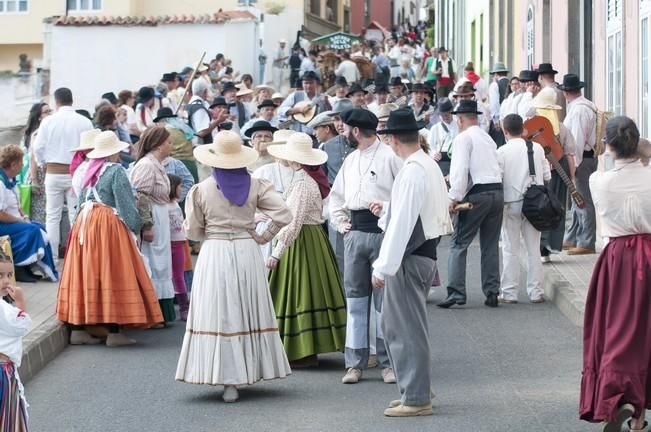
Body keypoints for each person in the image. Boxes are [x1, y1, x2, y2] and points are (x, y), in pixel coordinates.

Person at [175, 130, 292, 403]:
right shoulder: (257, 185)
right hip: (246, 249)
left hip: (214, 250)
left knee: (217, 310)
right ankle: (245, 371)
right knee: (245, 308)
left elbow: (193, 231)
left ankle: (226, 379)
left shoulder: (200, 189)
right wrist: (264, 235)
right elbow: (284, 214)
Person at [372, 108, 453, 417]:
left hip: (410, 255)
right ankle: (415, 387)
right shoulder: (426, 164)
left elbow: (402, 224)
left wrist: (382, 267)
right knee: (405, 327)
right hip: (423, 252)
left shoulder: (412, 170)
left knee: (402, 329)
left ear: (392, 139)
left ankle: (416, 396)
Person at [57, 131, 163, 346]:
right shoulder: (116, 171)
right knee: (113, 271)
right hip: (106, 223)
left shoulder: (86, 170)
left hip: (84, 224)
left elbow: (80, 201)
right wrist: (136, 227)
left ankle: (78, 329)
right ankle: (115, 332)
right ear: (113, 153)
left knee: (86, 272)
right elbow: (125, 204)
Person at [580, 117, 651, 432]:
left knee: (618, 332)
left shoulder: (600, 181)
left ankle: (620, 396)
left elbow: (600, 164)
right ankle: (640, 414)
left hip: (619, 259)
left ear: (608, 145)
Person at [329, 109, 402, 384]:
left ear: (356, 131)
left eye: (346, 128)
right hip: (354, 233)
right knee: (356, 301)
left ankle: (388, 363)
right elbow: (336, 197)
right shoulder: (350, 161)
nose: (343, 132)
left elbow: (406, 194)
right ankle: (354, 364)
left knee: (385, 304)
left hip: (383, 232)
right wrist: (340, 223)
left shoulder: (390, 157)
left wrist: (387, 209)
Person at [265, 133, 347, 367]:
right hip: (313, 239)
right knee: (309, 292)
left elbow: (293, 222)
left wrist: (276, 252)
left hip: (302, 242)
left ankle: (303, 351)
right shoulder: (308, 179)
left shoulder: (302, 183)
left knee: (299, 292)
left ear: (295, 160)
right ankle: (305, 348)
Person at [439, 100, 503, 308]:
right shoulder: (487, 138)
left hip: (477, 194)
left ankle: (456, 293)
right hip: (497, 191)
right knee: (490, 244)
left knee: (459, 243)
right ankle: (492, 291)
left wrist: (453, 198)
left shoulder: (463, 138)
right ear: (475, 117)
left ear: (459, 119)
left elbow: (459, 172)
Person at [32, 87, 93, 260]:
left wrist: (43, 163)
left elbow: (38, 147)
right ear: (72, 101)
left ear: (56, 102)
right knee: (77, 214)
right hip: (77, 173)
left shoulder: (48, 121)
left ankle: (52, 257)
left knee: (52, 216)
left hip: (53, 172)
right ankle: (78, 256)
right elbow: (91, 147)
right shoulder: (84, 121)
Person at [496, 114, 550, 303]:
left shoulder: (501, 151)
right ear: (524, 129)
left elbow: (498, 178)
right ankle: (536, 292)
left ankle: (509, 293)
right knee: (533, 248)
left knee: (510, 248)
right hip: (535, 203)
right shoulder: (536, 148)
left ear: (505, 131)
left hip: (511, 203)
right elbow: (546, 175)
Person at [129, 126, 175, 324]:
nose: (171, 145)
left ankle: (161, 311)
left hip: (160, 215)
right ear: (157, 144)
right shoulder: (147, 165)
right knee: (154, 262)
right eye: (168, 142)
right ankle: (153, 312)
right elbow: (141, 196)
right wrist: (146, 225)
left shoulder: (156, 164)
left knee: (161, 263)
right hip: (153, 217)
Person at [529, 88, 577, 262]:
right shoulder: (562, 129)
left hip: (537, 170)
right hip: (559, 170)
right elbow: (570, 154)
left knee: (538, 207)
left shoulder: (531, 127)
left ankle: (538, 247)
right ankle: (548, 249)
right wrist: (572, 179)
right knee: (556, 208)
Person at [0, 145, 58, 283]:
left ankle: (28, 267)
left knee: (39, 226)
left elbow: (17, 206)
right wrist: (20, 221)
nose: (22, 165)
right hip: (3, 224)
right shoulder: (1, 183)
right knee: (32, 230)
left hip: (12, 221)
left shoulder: (10, 181)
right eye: (21, 162)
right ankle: (19, 267)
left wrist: (24, 217)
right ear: (13, 165)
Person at [560, 74, 598, 256]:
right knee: (578, 200)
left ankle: (586, 241)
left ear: (567, 92)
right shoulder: (584, 106)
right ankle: (573, 236)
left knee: (582, 200)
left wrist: (573, 165)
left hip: (582, 159)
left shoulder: (578, 110)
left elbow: (576, 140)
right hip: (587, 158)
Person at [0, 251, 31, 431]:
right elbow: (21, 326)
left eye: (9, 275)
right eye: (0, 276)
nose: (6, 281)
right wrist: (20, 303)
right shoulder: (3, 308)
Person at [21, 102, 52, 225]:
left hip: (45, 174)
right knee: (39, 211)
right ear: (39, 116)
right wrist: (34, 180)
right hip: (38, 175)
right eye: (46, 112)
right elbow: (33, 157)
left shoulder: (47, 130)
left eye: (50, 111)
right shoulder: (38, 133)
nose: (49, 114)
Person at [153, 107, 199, 183]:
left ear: (163, 120)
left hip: (176, 167)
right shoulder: (183, 129)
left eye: (158, 122)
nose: (157, 125)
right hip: (191, 164)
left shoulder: (166, 132)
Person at [166, 174, 189, 321]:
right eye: (180, 186)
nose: (182, 189)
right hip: (169, 243)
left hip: (179, 242)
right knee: (171, 275)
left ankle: (184, 307)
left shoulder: (175, 204)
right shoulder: (165, 206)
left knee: (178, 275)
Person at [428, 97, 458, 176]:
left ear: (451, 112)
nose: (445, 116)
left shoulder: (459, 125)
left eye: (447, 113)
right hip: (442, 161)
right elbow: (429, 146)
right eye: (442, 114)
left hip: (456, 159)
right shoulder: (435, 128)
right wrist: (434, 153)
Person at [488, 62, 510, 147]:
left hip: (500, 121)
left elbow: (494, 104)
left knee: (498, 145)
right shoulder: (511, 84)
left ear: (496, 74)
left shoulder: (494, 85)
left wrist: (496, 121)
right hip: (511, 120)